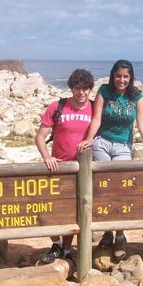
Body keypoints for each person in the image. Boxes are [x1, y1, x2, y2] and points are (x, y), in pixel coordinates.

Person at [78, 59, 143, 261]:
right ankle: (107, 232)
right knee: (104, 189)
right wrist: (89, 140)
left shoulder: (136, 96)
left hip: (124, 147)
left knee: (121, 190)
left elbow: (142, 125)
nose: (122, 80)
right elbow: (96, 118)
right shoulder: (104, 91)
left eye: (126, 76)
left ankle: (120, 234)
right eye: (118, 76)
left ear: (130, 77)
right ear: (113, 76)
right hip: (102, 143)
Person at [35, 68, 95, 264]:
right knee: (52, 209)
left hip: (84, 170)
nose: (81, 93)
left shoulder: (95, 109)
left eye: (85, 89)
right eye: (77, 88)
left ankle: (67, 250)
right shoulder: (57, 106)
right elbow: (40, 137)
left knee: (76, 211)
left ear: (90, 89)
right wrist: (47, 157)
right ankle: (56, 244)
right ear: (71, 88)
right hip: (59, 168)